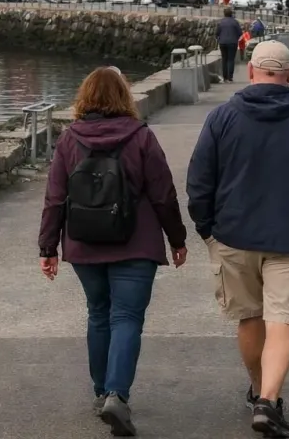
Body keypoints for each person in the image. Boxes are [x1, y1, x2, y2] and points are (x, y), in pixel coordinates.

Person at [185, 41, 289, 438]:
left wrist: (207, 228)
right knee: (283, 323)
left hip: (234, 236)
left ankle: (260, 390)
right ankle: (268, 401)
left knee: (249, 318)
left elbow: (199, 181)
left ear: (251, 71)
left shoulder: (221, 117)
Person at [39, 67, 188, 437]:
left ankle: (100, 390)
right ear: (124, 96)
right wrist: (177, 238)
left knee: (98, 313)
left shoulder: (69, 139)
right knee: (126, 317)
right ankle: (117, 396)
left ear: (84, 96)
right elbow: (163, 194)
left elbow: (56, 196)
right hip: (135, 244)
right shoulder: (141, 137)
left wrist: (48, 247)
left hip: (84, 242)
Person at [216, 8, 244, 83]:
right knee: (231, 59)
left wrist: (219, 39)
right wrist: (236, 38)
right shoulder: (235, 22)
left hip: (222, 42)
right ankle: (230, 77)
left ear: (224, 14)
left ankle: (224, 78)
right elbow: (240, 33)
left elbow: (217, 33)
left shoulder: (221, 22)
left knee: (224, 59)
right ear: (231, 14)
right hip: (232, 42)